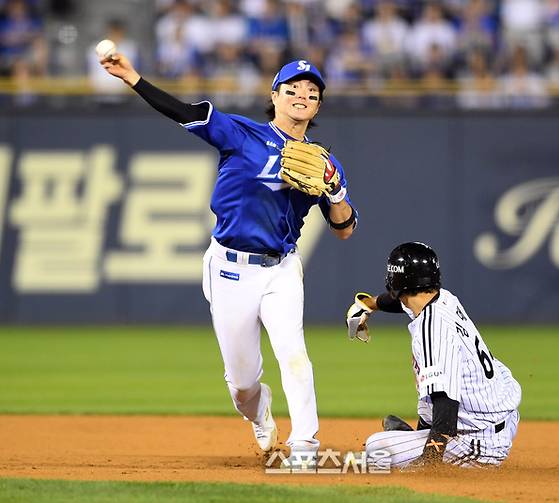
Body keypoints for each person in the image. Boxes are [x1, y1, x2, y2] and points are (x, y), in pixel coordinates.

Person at [100, 54, 357, 464]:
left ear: (318, 106)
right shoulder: (240, 133)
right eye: (292, 89)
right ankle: (259, 413)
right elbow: (182, 111)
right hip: (229, 268)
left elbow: (343, 228)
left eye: (312, 92)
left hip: (281, 269)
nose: (302, 96)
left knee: (294, 354)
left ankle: (305, 447)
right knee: (242, 385)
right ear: (274, 96)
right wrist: (132, 77)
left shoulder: (325, 162)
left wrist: (336, 191)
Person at [346, 242, 520, 468]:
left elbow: (446, 403)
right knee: (427, 405)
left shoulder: (433, 330)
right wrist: (370, 304)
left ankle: (425, 445)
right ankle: (418, 436)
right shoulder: (443, 298)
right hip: (500, 415)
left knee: (377, 449)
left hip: (479, 440)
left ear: (397, 281)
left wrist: (429, 462)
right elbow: (401, 302)